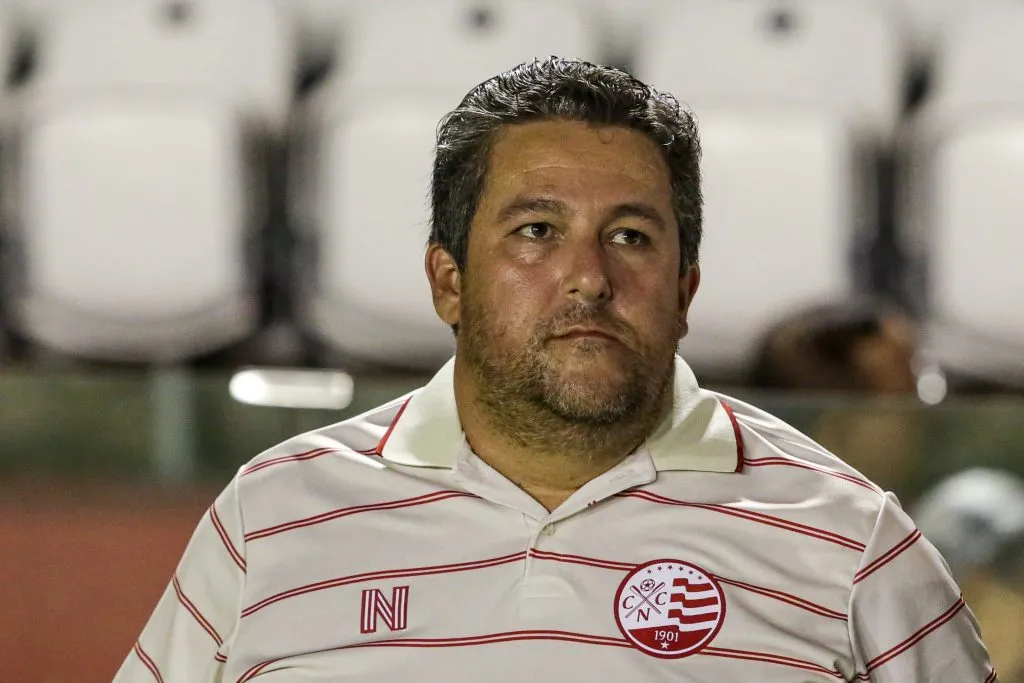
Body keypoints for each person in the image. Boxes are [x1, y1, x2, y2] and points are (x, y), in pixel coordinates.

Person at [113, 58, 995, 682]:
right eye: (536, 231)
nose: (588, 275)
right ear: (447, 279)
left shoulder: (855, 544)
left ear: (684, 291)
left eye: (631, 236)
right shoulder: (267, 516)